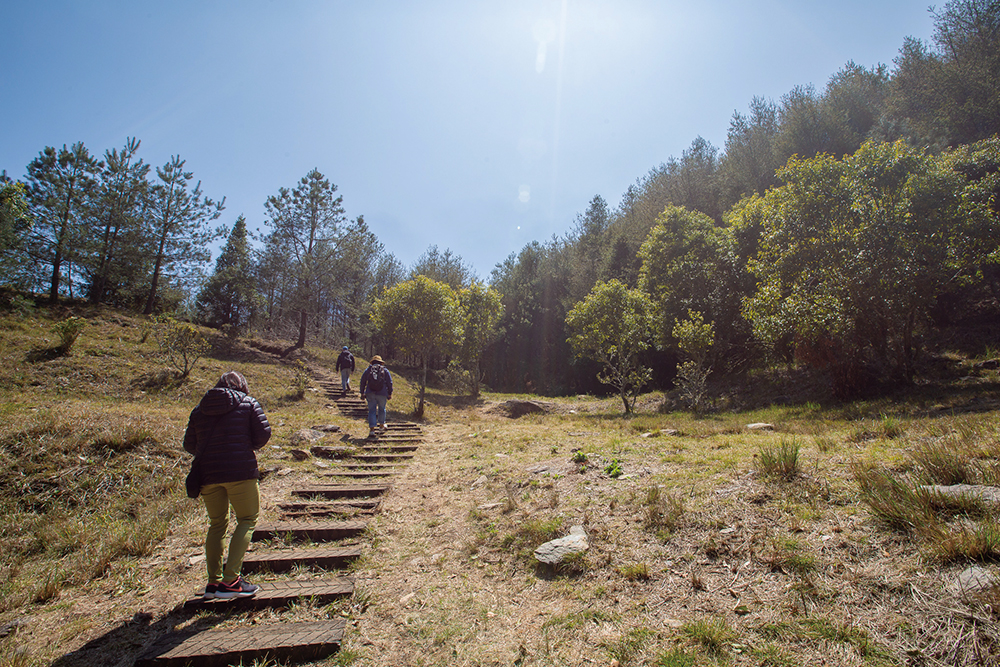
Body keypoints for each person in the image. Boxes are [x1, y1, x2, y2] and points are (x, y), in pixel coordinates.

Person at [183, 370, 271, 599]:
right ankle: (231, 580)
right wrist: (244, 444)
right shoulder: (248, 403)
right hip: (240, 470)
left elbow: (189, 444)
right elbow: (263, 435)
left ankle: (213, 583)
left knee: (217, 524)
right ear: (242, 386)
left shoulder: (199, 409)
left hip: (208, 474)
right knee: (247, 519)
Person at [359, 355, 393, 438]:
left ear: (372, 362)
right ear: (381, 362)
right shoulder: (385, 370)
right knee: (382, 409)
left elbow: (363, 381)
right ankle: (381, 426)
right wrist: (389, 393)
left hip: (370, 392)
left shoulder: (368, 370)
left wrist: (362, 392)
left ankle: (372, 430)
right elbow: (389, 382)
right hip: (382, 393)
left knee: (372, 410)